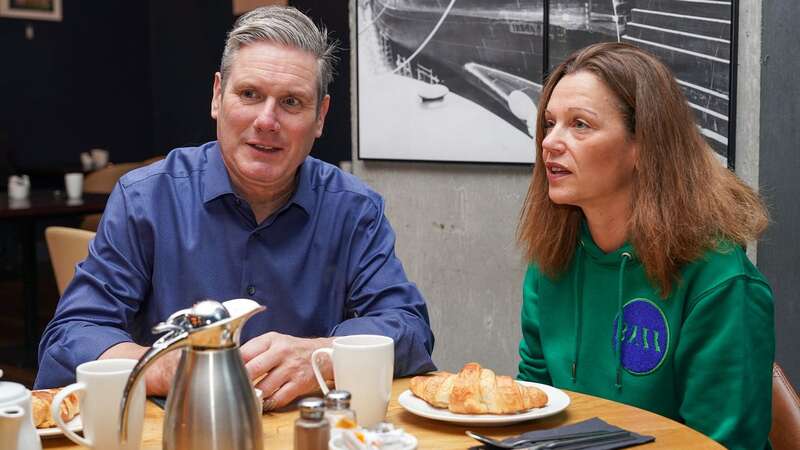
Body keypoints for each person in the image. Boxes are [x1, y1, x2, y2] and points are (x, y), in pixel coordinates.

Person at [36, 6, 436, 410]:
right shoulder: (146, 199)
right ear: (217, 96)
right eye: (249, 94)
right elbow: (73, 334)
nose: (266, 120)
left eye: (292, 102)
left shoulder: (353, 209)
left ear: (320, 117)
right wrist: (163, 366)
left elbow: (408, 330)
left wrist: (325, 355)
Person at [516, 43, 773, 450]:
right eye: (549, 123)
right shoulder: (552, 259)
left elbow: (723, 444)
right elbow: (531, 413)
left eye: (580, 124)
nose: (550, 142)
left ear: (642, 146)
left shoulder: (721, 281)